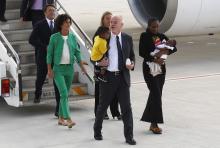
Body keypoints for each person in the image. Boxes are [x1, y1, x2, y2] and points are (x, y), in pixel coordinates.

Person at [93, 15, 136, 145]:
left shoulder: (127, 39)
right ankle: (97, 131)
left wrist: (132, 64)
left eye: (115, 22)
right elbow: (93, 57)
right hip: (108, 78)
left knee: (126, 109)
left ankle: (129, 137)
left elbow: (132, 56)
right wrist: (98, 63)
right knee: (102, 107)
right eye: (111, 22)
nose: (112, 24)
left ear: (121, 25)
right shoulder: (103, 37)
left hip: (123, 78)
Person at [47, 14, 86, 128]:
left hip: (69, 69)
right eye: (66, 22)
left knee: (65, 95)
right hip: (58, 69)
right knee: (64, 93)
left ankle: (60, 118)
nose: (68, 24)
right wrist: (49, 69)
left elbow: (77, 53)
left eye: (69, 22)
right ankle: (68, 118)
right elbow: (49, 54)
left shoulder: (72, 37)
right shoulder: (54, 37)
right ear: (60, 24)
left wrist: (82, 66)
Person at [139, 17, 177, 134]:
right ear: (149, 26)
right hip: (149, 69)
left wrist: (165, 52)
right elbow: (142, 52)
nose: (155, 29)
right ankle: (154, 123)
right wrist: (155, 58)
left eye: (157, 27)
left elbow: (174, 48)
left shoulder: (162, 36)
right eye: (153, 27)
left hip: (161, 69)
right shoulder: (144, 36)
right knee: (155, 94)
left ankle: (151, 121)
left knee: (156, 94)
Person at [29, 4, 60, 117]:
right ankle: (38, 93)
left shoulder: (58, 24)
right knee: (41, 78)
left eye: (54, 10)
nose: (52, 12)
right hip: (43, 57)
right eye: (50, 10)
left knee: (57, 82)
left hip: (55, 58)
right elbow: (31, 40)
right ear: (45, 13)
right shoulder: (39, 25)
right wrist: (44, 46)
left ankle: (58, 109)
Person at [93, 11, 121, 120]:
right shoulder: (99, 33)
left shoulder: (114, 32)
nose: (109, 21)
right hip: (101, 65)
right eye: (107, 19)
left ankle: (115, 112)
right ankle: (100, 112)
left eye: (111, 19)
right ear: (103, 20)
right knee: (100, 91)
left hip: (113, 65)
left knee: (114, 90)